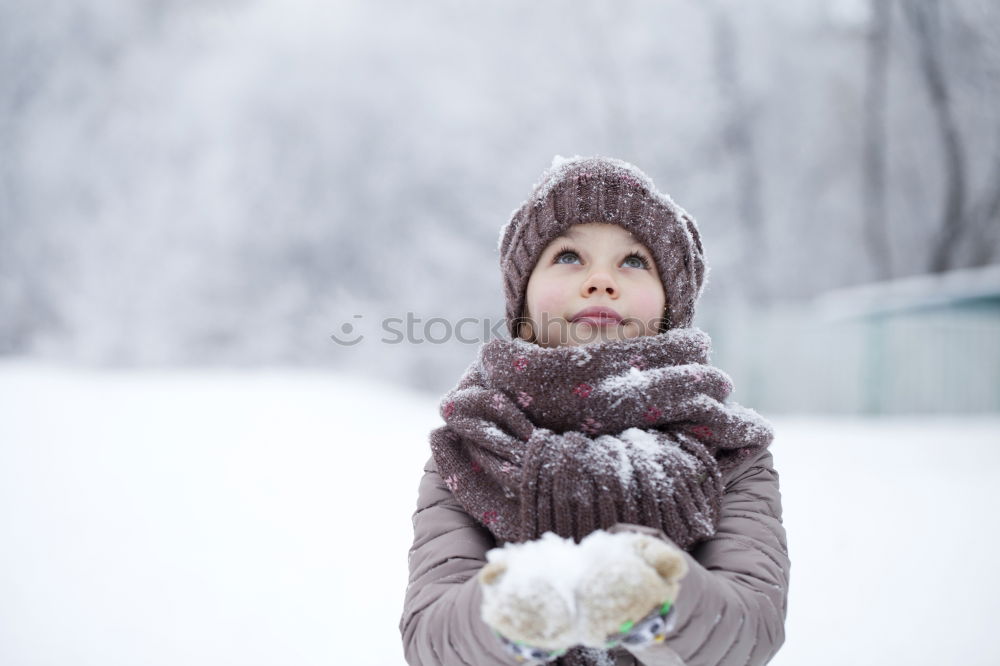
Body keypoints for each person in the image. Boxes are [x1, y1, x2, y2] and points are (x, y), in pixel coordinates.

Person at [399, 155, 789, 666]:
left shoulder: (727, 447)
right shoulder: (473, 446)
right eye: (568, 256)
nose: (602, 280)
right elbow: (432, 636)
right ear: (521, 306)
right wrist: (508, 613)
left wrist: (658, 599)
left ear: (673, 308)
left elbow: (751, 626)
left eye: (634, 261)